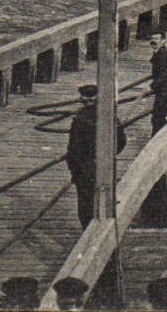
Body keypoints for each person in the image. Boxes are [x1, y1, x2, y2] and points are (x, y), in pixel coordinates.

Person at [66, 84, 125, 228]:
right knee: (106, 203)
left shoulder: (79, 120)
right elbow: (121, 141)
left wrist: (74, 170)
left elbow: (73, 150)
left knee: (86, 205)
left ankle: (88, 234)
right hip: (105, 166)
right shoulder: (110, 116)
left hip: (84, 168)